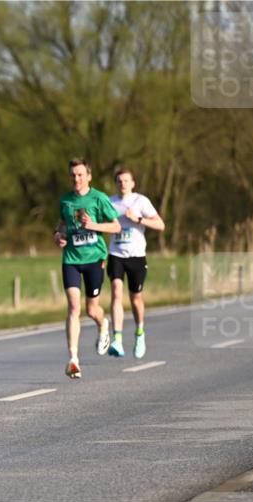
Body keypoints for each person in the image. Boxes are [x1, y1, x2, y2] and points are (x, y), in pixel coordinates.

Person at [54, 158, 121, 379]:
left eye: (80, 174)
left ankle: (104, 324)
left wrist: (94, 226)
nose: (76, 179)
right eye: (73, 175)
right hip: (71, 259)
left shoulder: (99, 198)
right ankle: (73, 359)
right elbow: (62, 224)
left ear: (89, 176)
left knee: (92, 309)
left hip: (94, 259)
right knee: (74, 307)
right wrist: (59, 235)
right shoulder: (65, 200)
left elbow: (116, 226)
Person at [107, 168, 165, 359]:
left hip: (137, 256)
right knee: (116, 292)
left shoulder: (141, 201)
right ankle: (117, 339)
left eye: (126, 181)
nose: (122, 184)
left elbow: (160, 225)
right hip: (116, 254)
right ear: (115, 184)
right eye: (119, 181)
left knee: (135, 298)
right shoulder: (110, 202)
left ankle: (140, 333)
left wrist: (138, 219)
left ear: (133, 183)